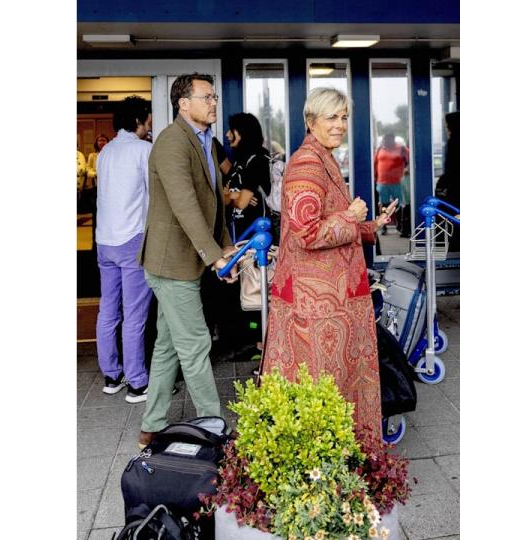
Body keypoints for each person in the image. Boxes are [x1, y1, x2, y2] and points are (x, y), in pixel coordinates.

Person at [261, 87, 396, 438]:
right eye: (332, 117)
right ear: (310, 121)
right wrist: (352, 217)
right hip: (316, 307)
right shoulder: (307, 163)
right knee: (322, 388)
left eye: (344, 117)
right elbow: (307, 234)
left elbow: (332, 221)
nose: (340, 125)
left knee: (331, 386)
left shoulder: (324, 157)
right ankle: (326, 464)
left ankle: (339, 457)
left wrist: (370, 226)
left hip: (330, 303)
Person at [137, 72, 238, 449]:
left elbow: (213, 202)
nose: (214, 103)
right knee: (195, 345)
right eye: (207, 97)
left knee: (167, 345)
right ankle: (216, 430)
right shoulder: (170, 143)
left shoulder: (207, 143)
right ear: (183, 103)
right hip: (170, 263)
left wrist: (226, 247)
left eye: (214, 97)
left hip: (186, 260)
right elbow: (186, 207)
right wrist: (214, 258)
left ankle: (152, 425)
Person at [94, 97, 154, 403]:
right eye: (149, 119)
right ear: (138, 121)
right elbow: (154, 196)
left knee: (108, 309)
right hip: (132, 239)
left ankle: (111, 375)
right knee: (134, 314)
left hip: (104, 240)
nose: (151, 125)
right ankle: (137, 382)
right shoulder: (143, 150)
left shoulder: (105, 152)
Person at [224, 112, 272, 240]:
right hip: (238, 236)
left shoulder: (258, 160)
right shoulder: (239, 162)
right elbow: (223, 198)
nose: (227, 135)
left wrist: (231, 196)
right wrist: (233, 195)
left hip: (257, 239)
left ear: (242, 132)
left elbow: (241, 203)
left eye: (231, 130)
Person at [373, 132, 409, 234]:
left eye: (388, 140)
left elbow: (412, 160)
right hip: (382, 182)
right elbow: (374, 164)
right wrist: (374, 178)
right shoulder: (380, 149)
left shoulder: (401, 149)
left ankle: (400, 225)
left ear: (393, 140)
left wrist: (407, 169)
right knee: (383, 205)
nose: (386, 142)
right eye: (385, 140)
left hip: (397, 182)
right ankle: (383, 226)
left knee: (399, 204)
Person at [434, 112, 459, 254]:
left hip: (454, 190)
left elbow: (453, 169)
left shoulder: (454, 142)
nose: (445, 128)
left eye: (446, 125)